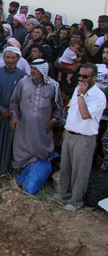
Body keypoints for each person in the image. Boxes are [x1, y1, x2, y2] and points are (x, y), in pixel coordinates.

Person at [56, 63, 106, 210]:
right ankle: (65, 193)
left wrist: (81, 95)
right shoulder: (78, 89)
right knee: (66, 166)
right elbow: (72, 111)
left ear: (94, 78)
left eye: (85, 76)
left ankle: (76, 201)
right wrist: (66, 128)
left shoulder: (98, 96)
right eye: (80, 75)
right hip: (71, 133)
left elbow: (85, 114)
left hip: (84, 137)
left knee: (80, 171)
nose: (81, 78)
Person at [8, 58, 63, 175]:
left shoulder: (53, 86)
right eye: (31, 68)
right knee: (20, 153)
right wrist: (14, 116)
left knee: (40, 154)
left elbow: (58, 109)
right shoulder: (23, 82)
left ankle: (35, 178)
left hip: (42, 130)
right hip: (24, 128)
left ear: (43, 71)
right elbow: (14, 102)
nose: (32, 71)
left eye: (35, 69)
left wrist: (53, 120)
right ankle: (15, 180)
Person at [0, 47, 27, 175]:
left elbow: (22, 97)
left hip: (12, 117)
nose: (10, 60)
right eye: (7, 57)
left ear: (18, 59)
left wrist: (12, 112)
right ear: (3, 58)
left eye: (13, 58)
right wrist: (0, 109)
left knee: (8, 143)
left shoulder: (23, 76)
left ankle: (4, 171)